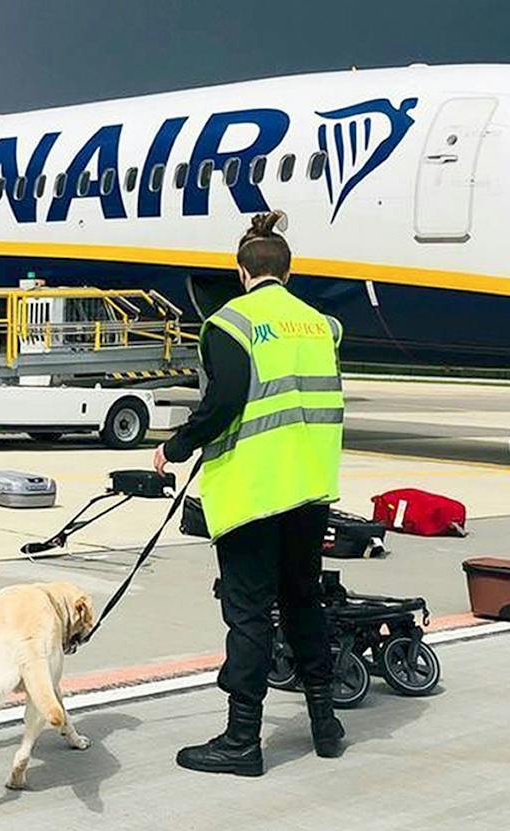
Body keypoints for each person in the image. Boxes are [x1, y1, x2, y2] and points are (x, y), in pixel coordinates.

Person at [153, 211, 346, 776]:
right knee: (304, 602)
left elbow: (224, 402)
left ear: (242, 272)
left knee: (249, 615)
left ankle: (242, 740)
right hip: (310, 488)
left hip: (255, 493)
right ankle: (325, 723)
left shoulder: (230, 324)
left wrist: (179, 445)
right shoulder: (321, 325)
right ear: (286, 271)